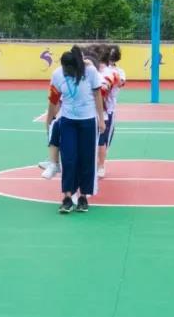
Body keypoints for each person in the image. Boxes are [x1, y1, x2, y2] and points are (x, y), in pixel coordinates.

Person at [45, 46, 106, 213]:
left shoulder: (90, 71)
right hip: (68, 121)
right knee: (69, 158)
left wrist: (101, 120)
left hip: (88, 121)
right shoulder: (58, 74)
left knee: (86, 159)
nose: (66, 72)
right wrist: (49, 118)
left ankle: (83, 197)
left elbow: (97, 95)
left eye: (68, 69)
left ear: (76, 66)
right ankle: (67, 197)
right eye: (64, 69)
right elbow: (54, 99)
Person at [97, 44, 125, 179]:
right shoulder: (97, 70)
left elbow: (119, 83)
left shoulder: (118, 72)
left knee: (103, 141)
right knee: (95, 140)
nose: (111, 57)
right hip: (93, 110)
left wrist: (111, 75)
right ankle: (95, 164)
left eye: (113, 55)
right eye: (109, 54)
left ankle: (101, 165)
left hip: (108, 110)